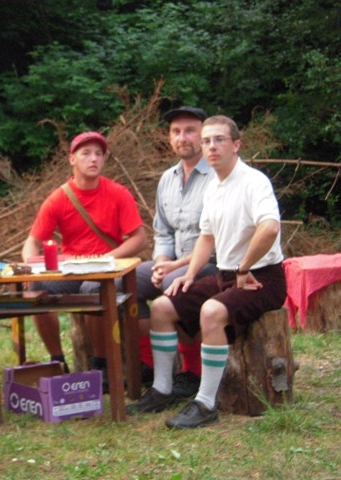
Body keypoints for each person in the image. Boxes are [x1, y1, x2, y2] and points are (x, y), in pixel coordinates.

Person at [127, 115, 287, 429]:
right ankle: (162, 389)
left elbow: (269, 228)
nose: (211, 146)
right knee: (162, 307)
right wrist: (188, 274)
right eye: (206, 141)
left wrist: (244, 266)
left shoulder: (254, 182)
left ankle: (205, 403)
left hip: (262, 278)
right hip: (227, 275)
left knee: (211, 312)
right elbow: (207, 237)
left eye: (219, 140)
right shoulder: (213, 185)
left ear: (236, 145)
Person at [21, 131, 147, 381]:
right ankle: (57, 361)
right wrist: (30, 267)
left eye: (99, 154)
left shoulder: (118, 192)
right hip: (72, 269)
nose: (93, 159)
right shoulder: (59, 198)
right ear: (72, 159)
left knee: (93, 288)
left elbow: (139, 238)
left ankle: (101, 365)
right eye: (86, 153)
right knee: (36, 289)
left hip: (108, 267)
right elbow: (32, 241)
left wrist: (107, 258)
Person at [136, 106, 217, 398]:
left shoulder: (217, 176)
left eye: (190, 131)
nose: (183, 138)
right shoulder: (167, 179)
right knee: (126, 281)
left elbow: (217, 241)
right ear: (169, 137)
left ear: (203, 135)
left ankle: (192, 371)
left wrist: (172, 269)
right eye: (176, 132)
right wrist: (160, 262)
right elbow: (163, 232)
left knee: (172, 284)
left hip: (212, 264)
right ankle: (148, 364)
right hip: (174, 262)